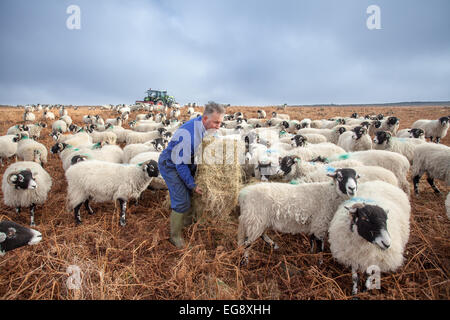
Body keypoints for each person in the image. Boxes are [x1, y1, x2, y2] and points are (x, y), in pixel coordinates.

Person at [158, 101, 225, 248]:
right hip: (171, 165)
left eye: (220, 123)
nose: (218, 127)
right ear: (205, 119)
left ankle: (186, 221)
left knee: (189, 195)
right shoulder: (190, 134)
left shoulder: (205, 127)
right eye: (216, 123)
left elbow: (213, 141)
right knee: (182, 200)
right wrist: (192, 184)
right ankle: (174, 236)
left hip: (186, 163)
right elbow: (180, 164)